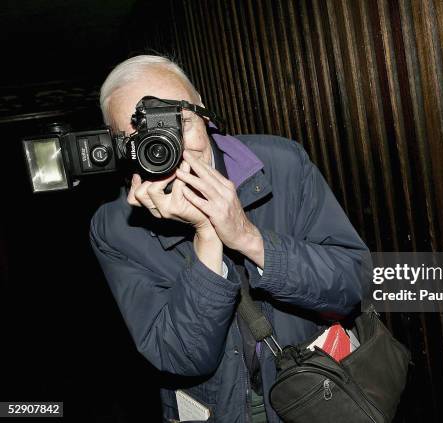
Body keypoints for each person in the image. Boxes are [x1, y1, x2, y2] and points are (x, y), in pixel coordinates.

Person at [89, 55, 369, 423]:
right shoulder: (115, 228)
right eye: (140, 139)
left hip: (318, 397)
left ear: (203, 112)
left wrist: (248, 237)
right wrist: (207, 236)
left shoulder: (280, 164)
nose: (168, 149)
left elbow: (355, 284)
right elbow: (180, 357)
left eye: (177, 123)